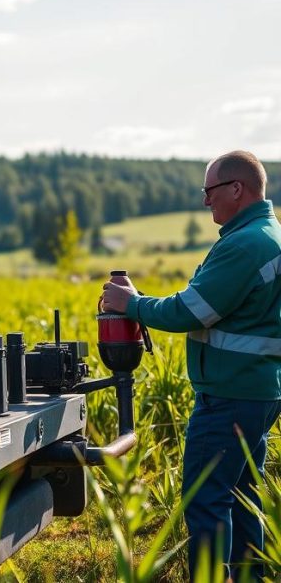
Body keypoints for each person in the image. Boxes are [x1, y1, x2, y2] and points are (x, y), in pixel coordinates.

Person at [101, 150, 281, 580]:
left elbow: (191, 311)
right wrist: (142, 302)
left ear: (236, 189)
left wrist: (132, 304)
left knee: (206, 500)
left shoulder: (245, 244)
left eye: (209, 191)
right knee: (241, 495)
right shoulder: (267, 235)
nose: (205, 202)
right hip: (257, 391)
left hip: (229, 396)